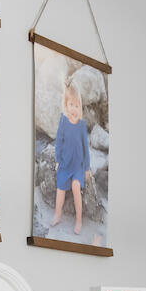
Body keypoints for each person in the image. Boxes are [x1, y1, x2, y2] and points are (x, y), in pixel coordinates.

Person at [48, 70, 91, 235]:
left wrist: (86, 168)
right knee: (60, 187)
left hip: (78, 166)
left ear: (80, 105)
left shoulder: (81, 124)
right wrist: (58, 160)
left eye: (76, 105)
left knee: (75, 185)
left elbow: (85, 147)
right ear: (66, 105)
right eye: (70, 105)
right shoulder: (63, 121)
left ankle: (78, 219)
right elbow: (58, 142)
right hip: (65, 164)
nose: (73, 109)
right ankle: (58, 214)